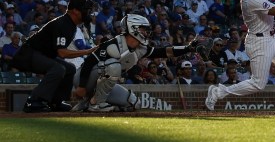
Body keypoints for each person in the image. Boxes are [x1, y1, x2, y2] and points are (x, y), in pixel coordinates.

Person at [73, 14, 205, 112]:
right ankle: (96, 104)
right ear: (133, 28)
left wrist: (188, 48)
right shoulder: (112, 43)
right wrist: (82, 87)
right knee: (114, 66)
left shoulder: (141, 48)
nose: (146, 32)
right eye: (143, 29)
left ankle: (87, 103)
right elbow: (89, 62)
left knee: (134, 103)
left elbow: (165, 52)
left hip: (101, 85)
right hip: (83, 78)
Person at [11, 0, 98, 113]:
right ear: (76, 11)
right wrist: (87, 51)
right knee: (58, 68)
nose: (88, 13)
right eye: (85, 9)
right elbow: (62, 53)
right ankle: (34, 101)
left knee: (70, 68)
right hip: (28, 54)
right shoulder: (63, 24)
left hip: (41, 54)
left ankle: (55, 101)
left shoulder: (71, 24)